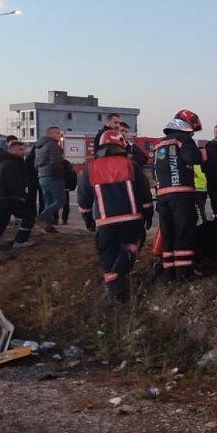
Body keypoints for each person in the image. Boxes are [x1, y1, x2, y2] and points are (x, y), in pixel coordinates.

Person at [77, 130, 153, 303]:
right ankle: (120, 275)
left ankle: (115, 295)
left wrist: (88, 220)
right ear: (121, 145)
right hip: (132, 220)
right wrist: (148, 215)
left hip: (105, 223)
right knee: (131, 246)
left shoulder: (91, 168)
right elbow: (144, 193)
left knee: (108, 257)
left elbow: (83, 199)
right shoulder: (130, 164)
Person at [154, 109, 202, 281]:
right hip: (181, 195)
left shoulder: (159, 144)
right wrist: (205, 154)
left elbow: (156, 172)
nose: (193, 134)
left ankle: (170, 275)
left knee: (169, 235)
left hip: (163, 197)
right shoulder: (184, 140)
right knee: (184, 233)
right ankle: (184, 274)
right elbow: (192, 159)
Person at [0, 141, 34, 257]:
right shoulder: (13, 163)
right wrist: (24, 196)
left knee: (0, 223)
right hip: (8, 197)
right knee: (29, 216)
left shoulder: (2, 162)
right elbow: (13, 182)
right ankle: (20, 240)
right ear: (11, 150)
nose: (23, 152)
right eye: (20, 149)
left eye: (23, 149)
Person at [35, 126, 66, 233]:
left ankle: (48, 225)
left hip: (42, 176)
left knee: (49, 201)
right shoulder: (53, 145)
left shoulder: (39, 146)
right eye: (57, 133)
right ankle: (41, 217)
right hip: (53, 176)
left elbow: (36, 164)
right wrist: (60, 175)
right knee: (60, 201)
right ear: (51, 134)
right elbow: (56, 162)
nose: (59, 135)